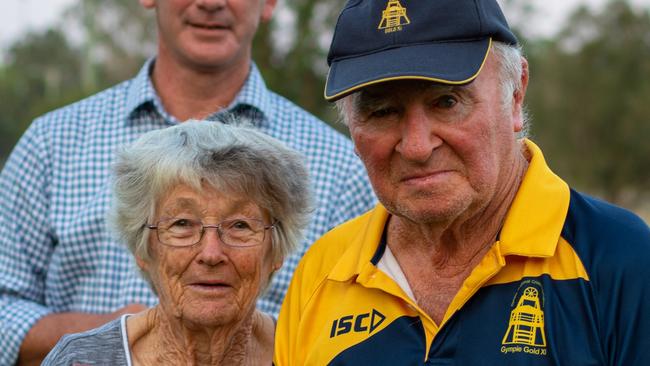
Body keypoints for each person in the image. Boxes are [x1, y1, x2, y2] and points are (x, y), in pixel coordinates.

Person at [275, 0, 650, 365]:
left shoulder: (619, 260)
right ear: (352, 130)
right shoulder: (321, 273)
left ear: (515, 93)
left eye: (446, 101)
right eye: (383, 111)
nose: (418, 146)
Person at [0, 0, 376, 364]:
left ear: (269, 2)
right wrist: (117, 342)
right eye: (181, 225)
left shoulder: (343, 165)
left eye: (241, 226)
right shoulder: (51, 144)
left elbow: (367, 332)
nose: (210, 3)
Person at [42, 120, 310, 365]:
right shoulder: (80, 361)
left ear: (277, 249)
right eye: (182, 224)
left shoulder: (310, 354)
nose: (211, 253)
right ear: (142, 248)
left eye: (240, 225)